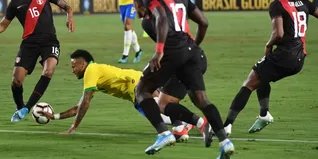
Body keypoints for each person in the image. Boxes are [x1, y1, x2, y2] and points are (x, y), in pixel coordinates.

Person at [133, 0, 235, 159]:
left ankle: (164, 134)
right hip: (191, 49)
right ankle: (225, 141)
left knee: (142, 91)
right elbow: (203, 22)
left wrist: (160, 50)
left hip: (173, 49)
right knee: (202, 100)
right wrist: (193, 45)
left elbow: (161, 17)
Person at [223, 0, 318, 136]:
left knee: (249, 82)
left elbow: (278, 34)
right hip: (299, 60)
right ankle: (264, 114)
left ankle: (226, 127)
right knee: (262, 73)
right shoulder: (304, 2)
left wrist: (268, 45)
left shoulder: (277, 5)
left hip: (284, 56)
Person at [39, 49, 203, 136]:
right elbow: (80, 105)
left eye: (74, 66)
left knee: (159, 114)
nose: (72, 70)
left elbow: (85, 104)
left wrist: (73, 127)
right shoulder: (94, 73)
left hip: (135, 86)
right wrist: (55, 117)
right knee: (163, 108)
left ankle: (197, 123)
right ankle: (192, 123)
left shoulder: (91, 71)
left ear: (83, 64)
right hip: (138, 79)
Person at [133, 0, 211, 145]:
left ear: (138, 3)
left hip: (180, 59)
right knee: (165, 102)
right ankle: (181, 129)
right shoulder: (168, 10)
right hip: (191, 56)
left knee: (147, 93)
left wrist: (160, 58)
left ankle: (197, 125)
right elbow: (202, 22)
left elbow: (169, 42)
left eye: (134, 4)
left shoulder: (150, 22)